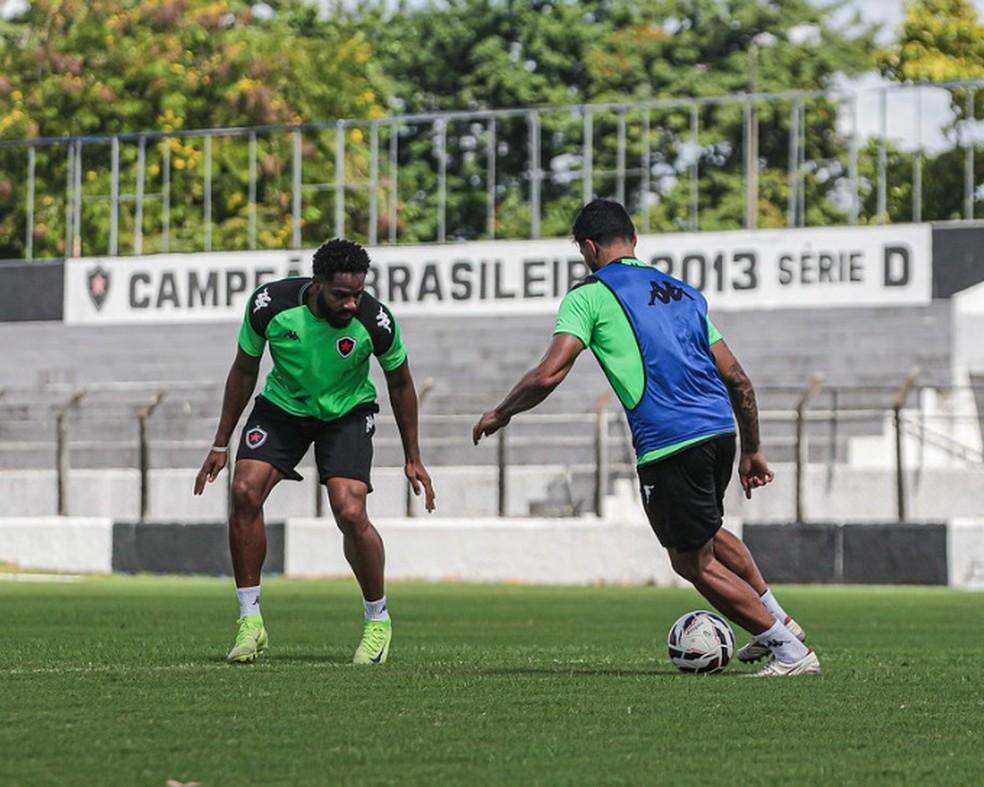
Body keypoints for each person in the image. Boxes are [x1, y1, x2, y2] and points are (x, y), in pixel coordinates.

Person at [472, 199, 818, 677]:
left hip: (670, 440)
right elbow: (738, 378)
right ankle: (780, 618)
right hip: (719, 431)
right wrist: (752, 449)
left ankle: (786, 649)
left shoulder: (588, 294)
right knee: (708, 533)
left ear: (589, 249)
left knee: (689, 562)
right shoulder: (684, 293)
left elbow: (548, 375)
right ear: (633, 241)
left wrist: (502, 411)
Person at [195, 238, 436, 665]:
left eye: (357, 294)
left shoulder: (375, 321)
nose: (350, 304)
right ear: (317, 284)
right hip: (283, 407)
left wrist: (412, 456)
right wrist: (221, 442)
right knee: (244, 491)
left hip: (346, 411)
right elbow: (244, 369)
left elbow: (401, 384)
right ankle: (250, 620)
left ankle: (377, 620)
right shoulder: (270, 305)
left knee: (349, 511)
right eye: (341, 295)